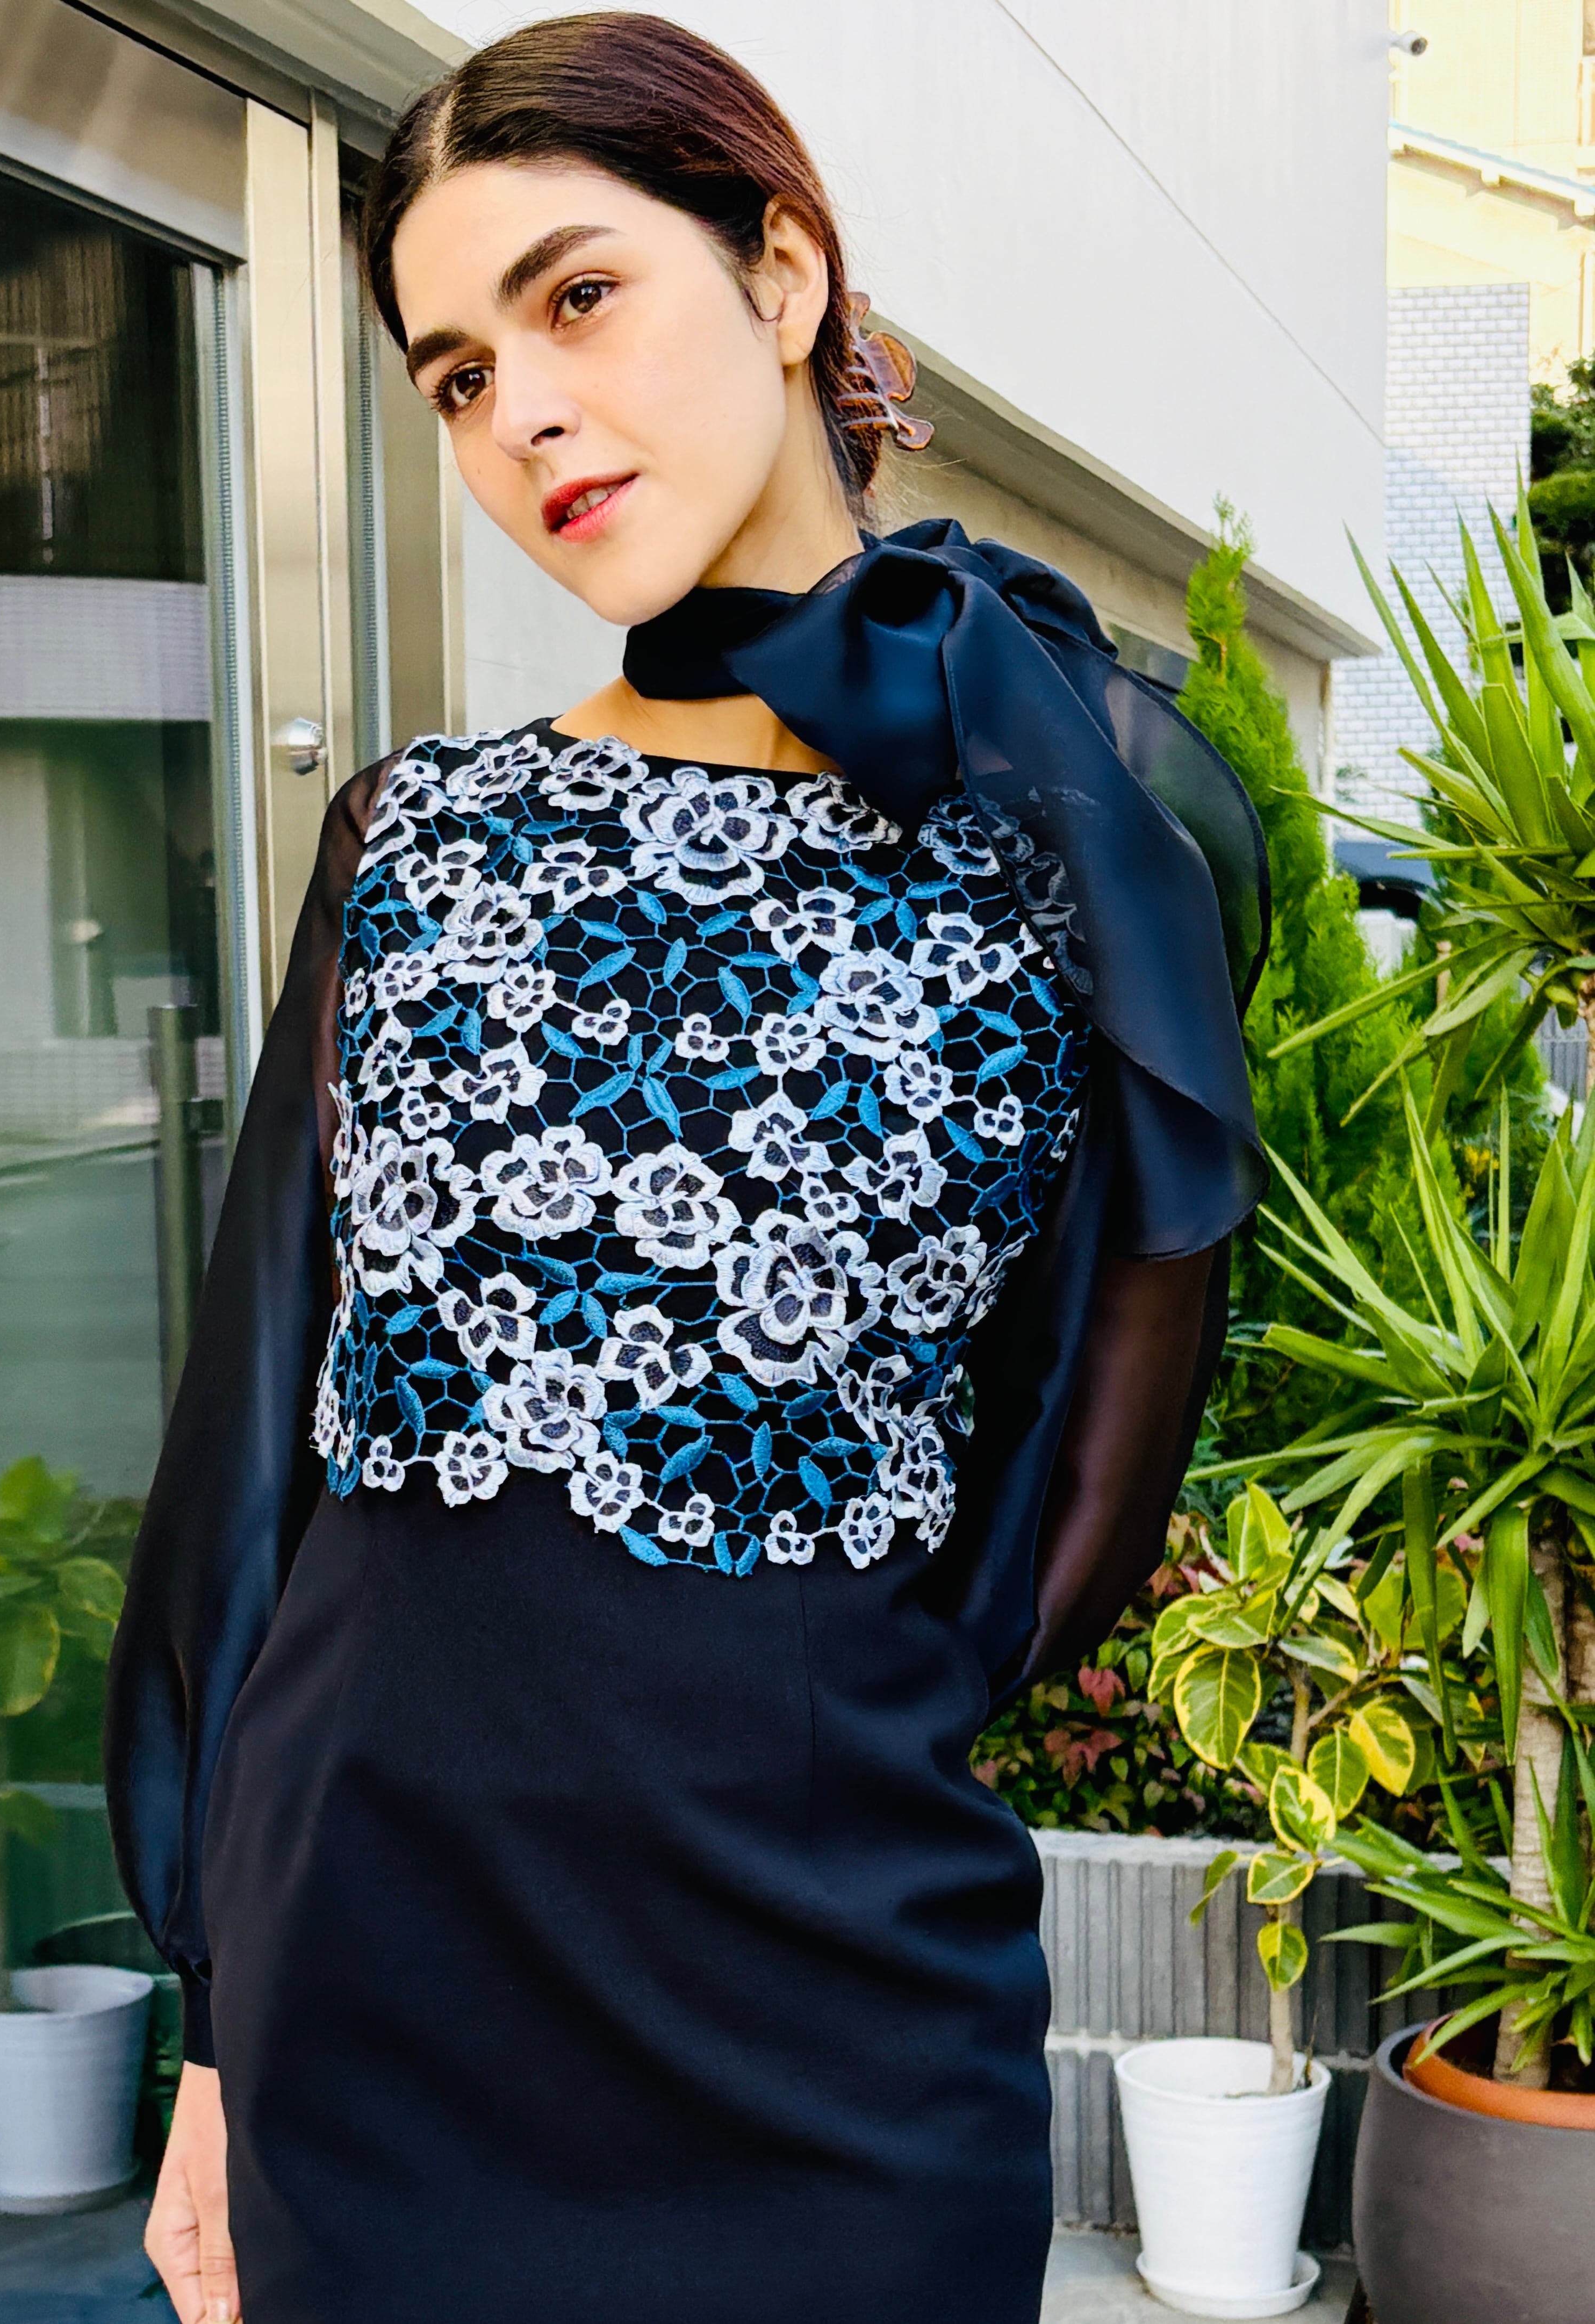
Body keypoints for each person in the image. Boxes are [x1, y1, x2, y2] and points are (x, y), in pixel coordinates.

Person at [105, 16, 1267, 2322]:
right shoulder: (412, 840)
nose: (522, 412)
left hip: (835, 2018)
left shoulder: (1094, 814)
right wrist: (216, 2025)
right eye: (456, 376)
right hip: (371, 2003)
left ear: (783, 273)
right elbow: (246, 1464)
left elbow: (1082, 1465)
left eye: (578, 297)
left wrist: (797, 1687)